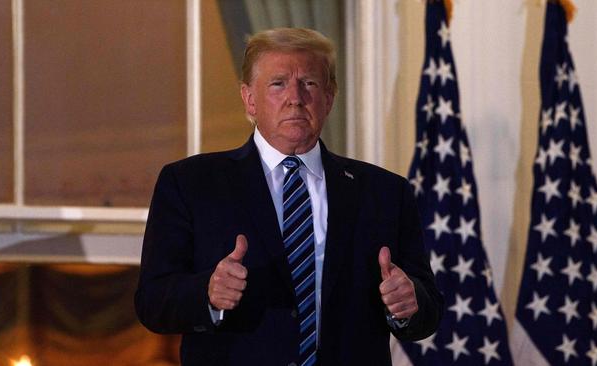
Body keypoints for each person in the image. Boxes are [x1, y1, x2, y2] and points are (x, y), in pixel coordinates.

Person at [135, 27, 442, 366]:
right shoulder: (190, 184)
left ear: (329, 98)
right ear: (249, 98)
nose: (295, 97)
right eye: (278, 83)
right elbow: (152, 302)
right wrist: (207, 293)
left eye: (309, 83)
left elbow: (428, 308)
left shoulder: (385, 192)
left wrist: (408, 304)